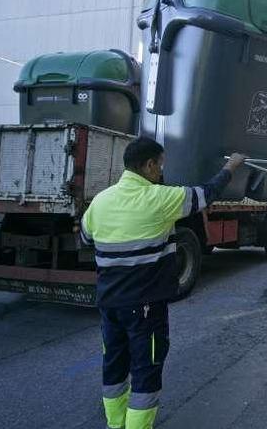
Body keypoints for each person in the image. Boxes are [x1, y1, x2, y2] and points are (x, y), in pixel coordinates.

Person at [81, 137, 245, 429]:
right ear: (148, 165)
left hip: (109, 305)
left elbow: (86, 238)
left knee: (114, 366)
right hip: (144, 307)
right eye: (159, 165)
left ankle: (115, 424)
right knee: (146, 370)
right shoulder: (159, 199)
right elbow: (206, 194)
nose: (161, 172)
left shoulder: (100, 201)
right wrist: (231, 166)